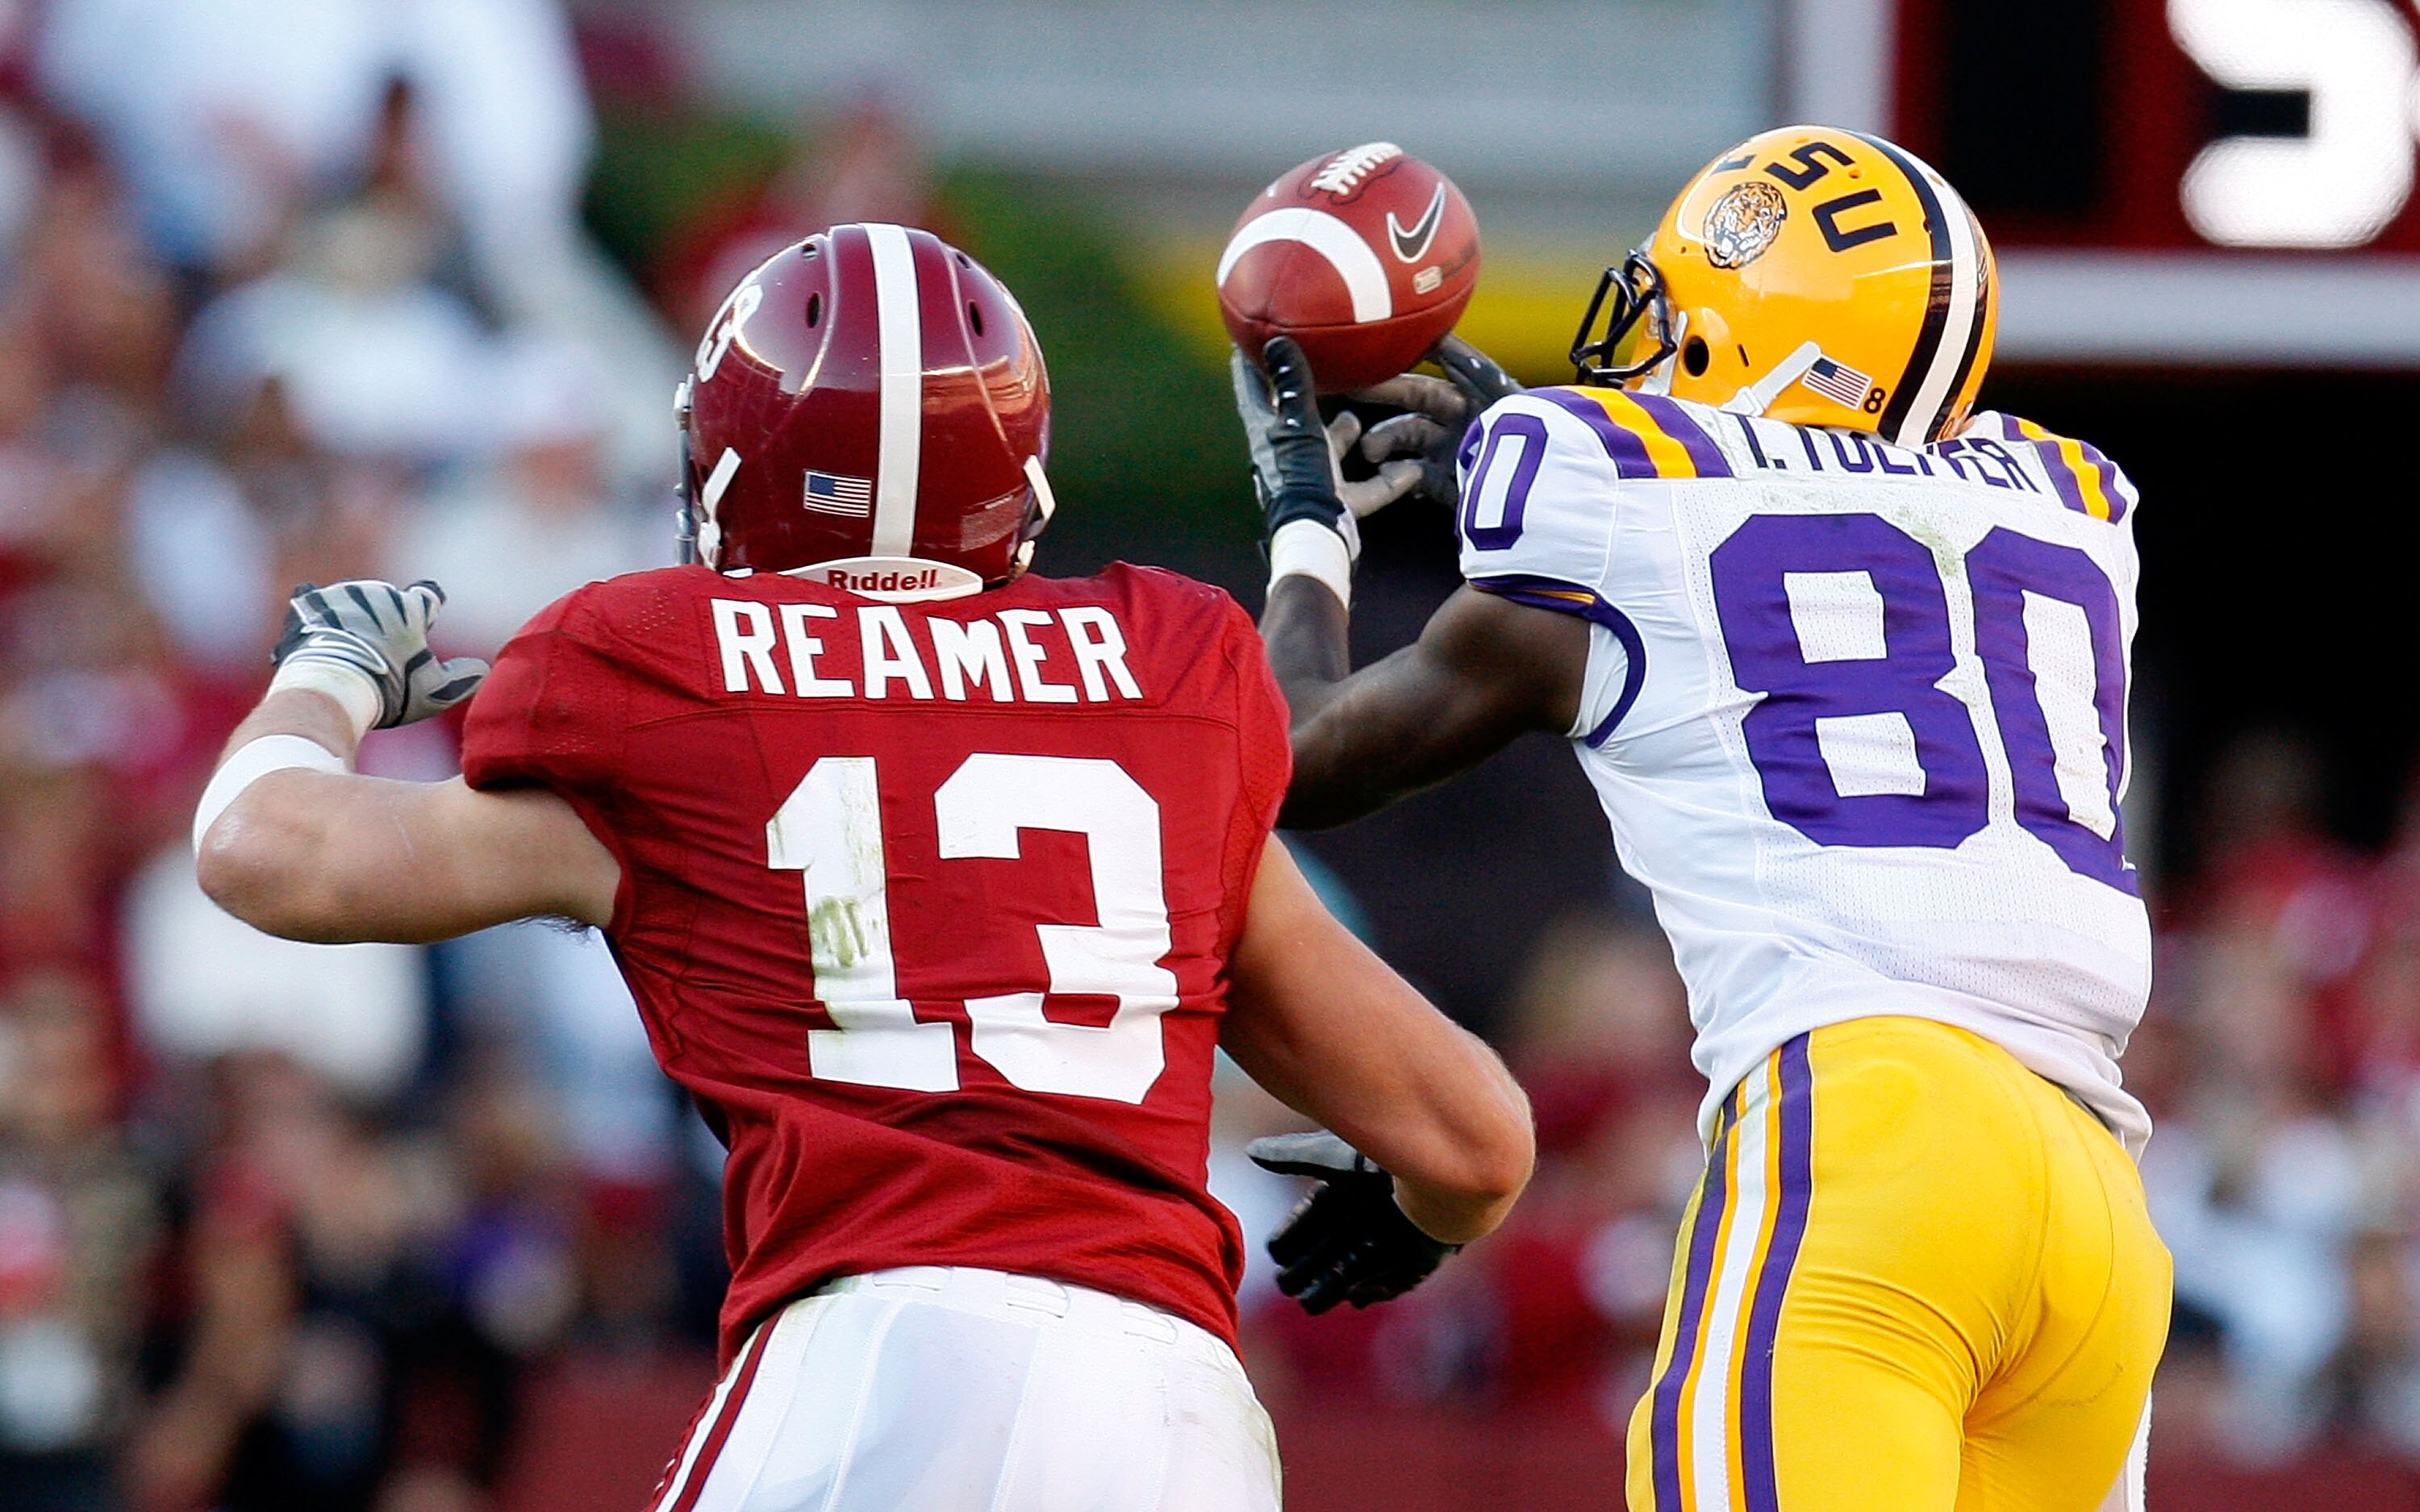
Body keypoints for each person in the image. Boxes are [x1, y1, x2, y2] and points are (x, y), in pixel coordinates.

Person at [193, 223, 1534, 1512]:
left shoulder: (665, 672)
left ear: (726, 471)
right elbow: (1476, 1139)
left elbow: (266, 851)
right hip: (1179, 1407)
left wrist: (328, 674)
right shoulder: (1169, 677)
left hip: (884, 1356)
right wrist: (1420, 1205)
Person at [1233, 127, 2169, 1511]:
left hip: (1871, 1137)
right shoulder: (2078, 505)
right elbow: (1813, 523)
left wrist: (1309, 522)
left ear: (1757, 339)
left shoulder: (1609, 492)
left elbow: (1293, 758)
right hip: (2098, 1209)